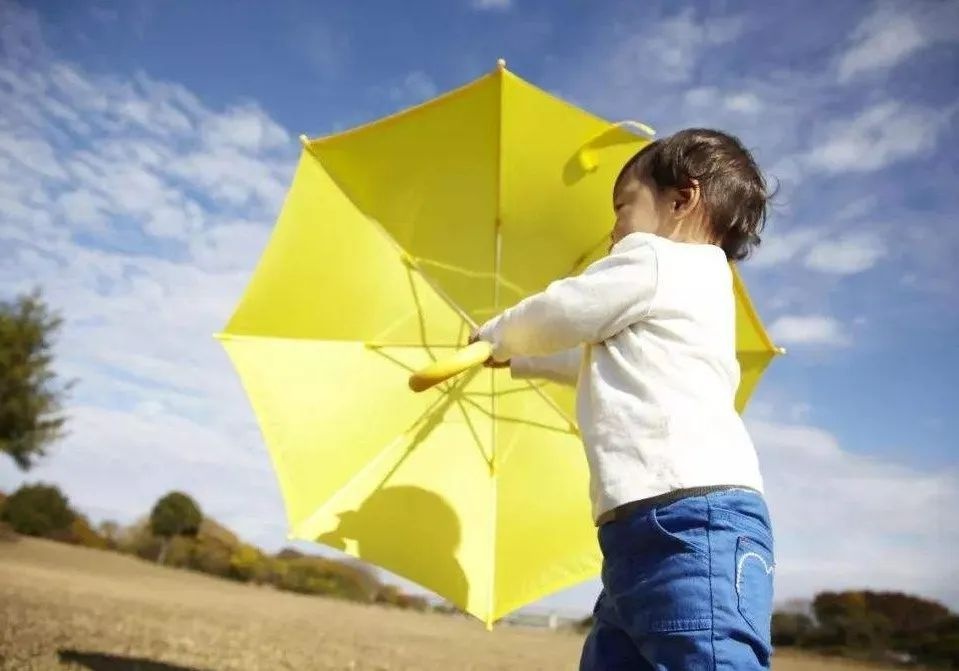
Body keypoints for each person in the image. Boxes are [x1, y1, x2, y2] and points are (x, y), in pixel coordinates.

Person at [472, 128, 776, 670]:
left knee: (703, 657)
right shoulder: (691, 295)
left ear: (682, 199)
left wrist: (495, 335)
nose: (614, 229)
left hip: (691, 521)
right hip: (637, 530)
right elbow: (589, 359)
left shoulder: (659, 262)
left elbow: (563, 311)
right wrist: (517, 360)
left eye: (622, 207)